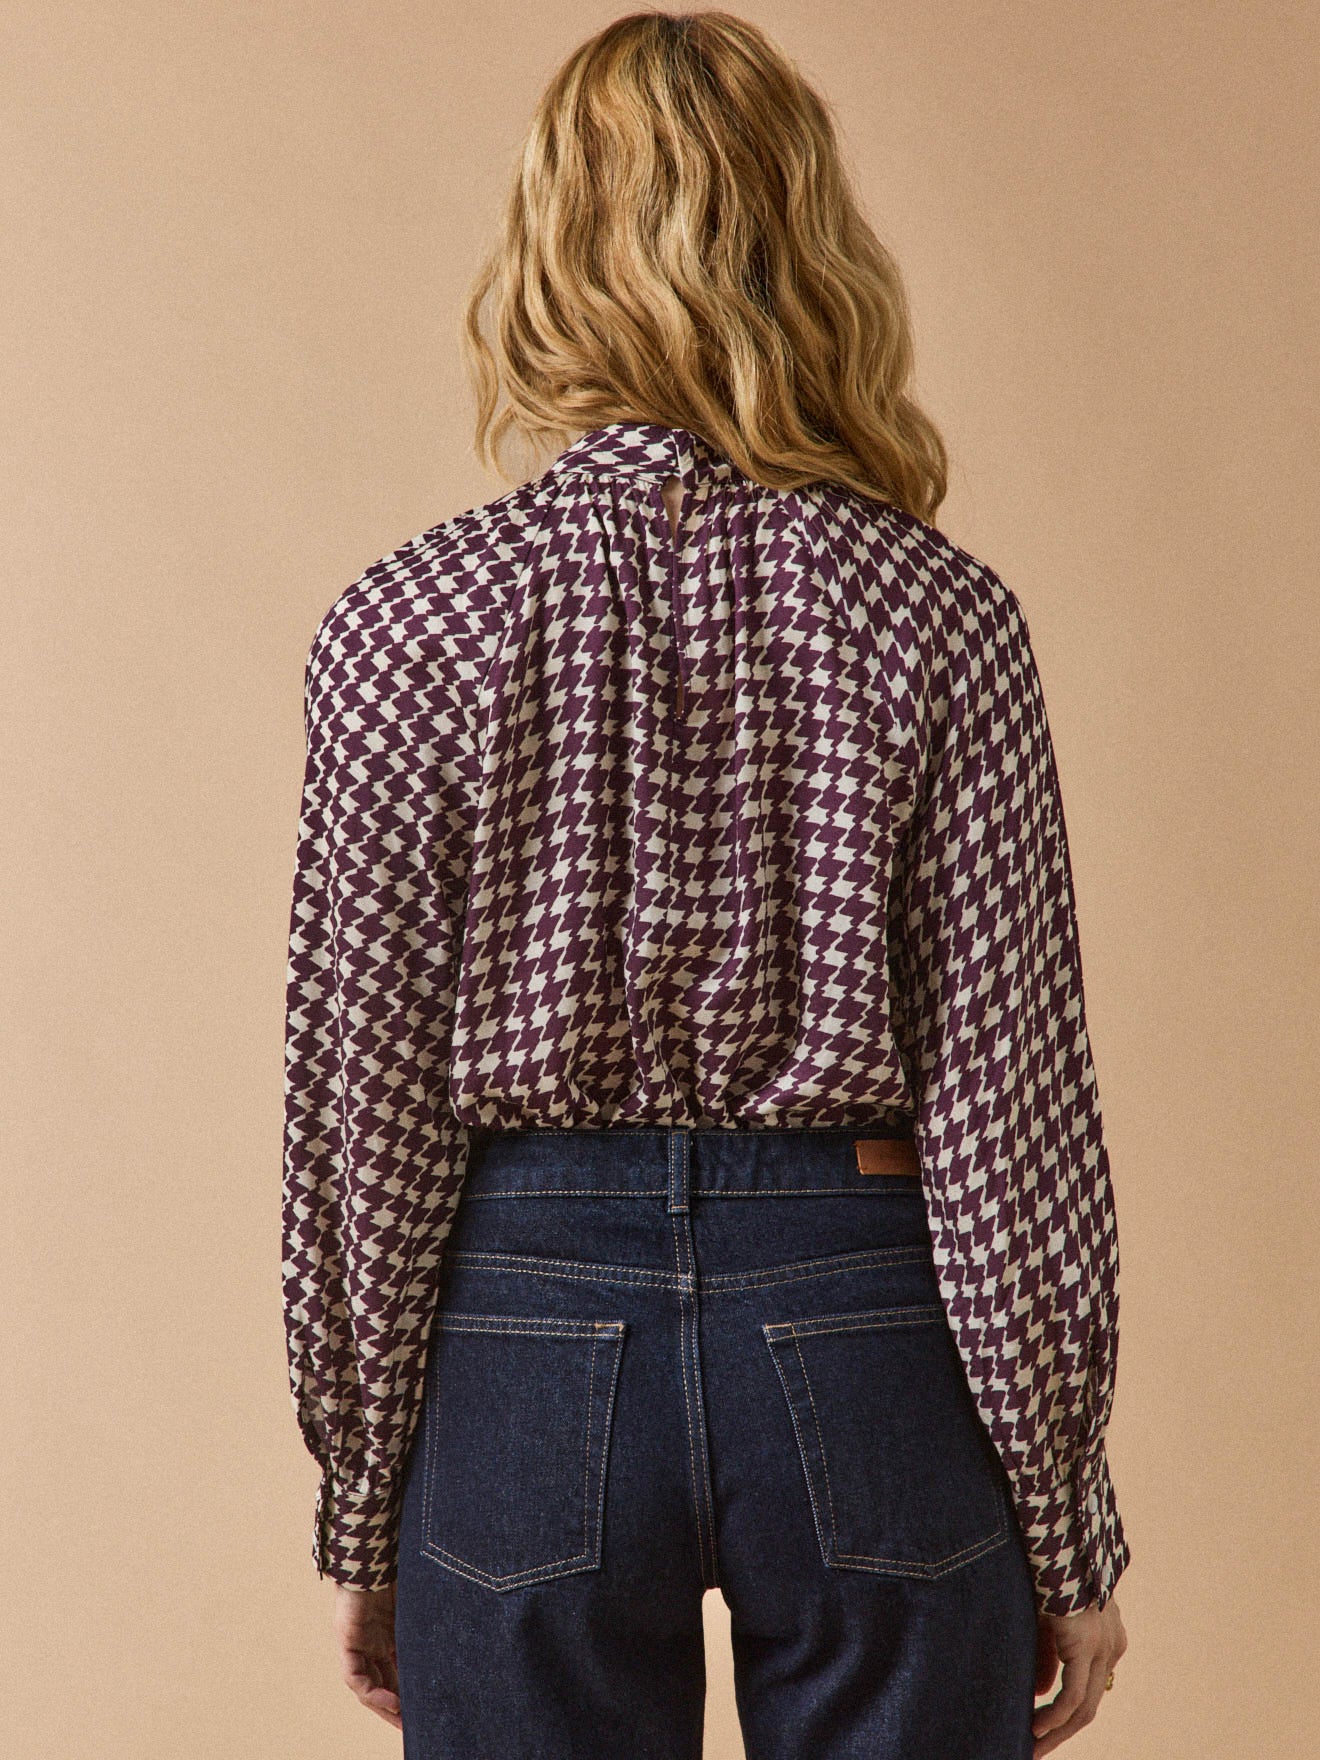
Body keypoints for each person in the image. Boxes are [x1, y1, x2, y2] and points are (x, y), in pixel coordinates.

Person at [281, 12, 1130, 1757]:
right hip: (866, 1309)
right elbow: (1011, 1119)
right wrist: (1065, 1523)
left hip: (518, 1321)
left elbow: (359, 1112)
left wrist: (367, 1500)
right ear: (811, 248)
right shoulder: (938, 616)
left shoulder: (407, 626)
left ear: (546, 253)